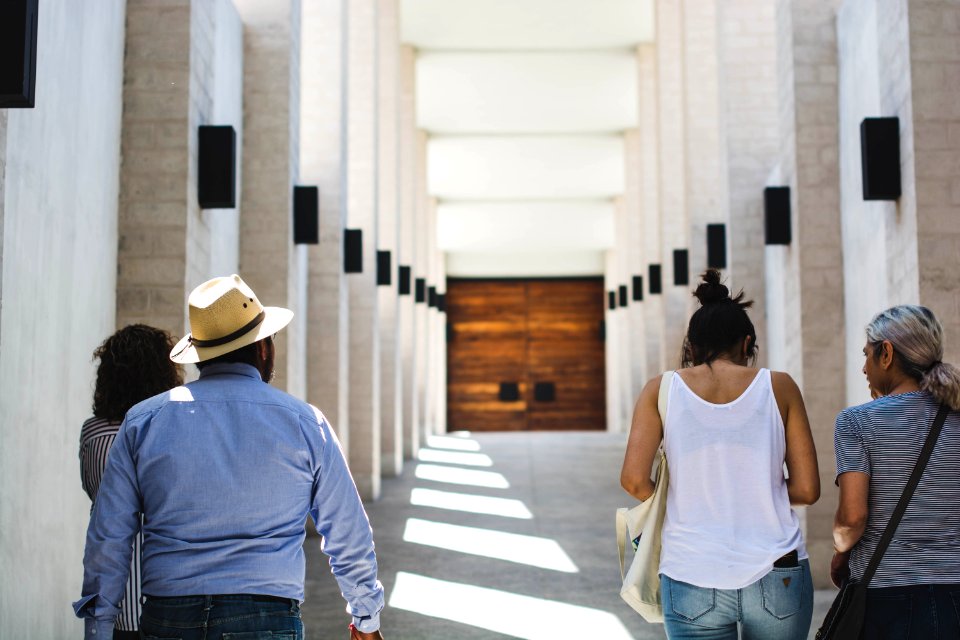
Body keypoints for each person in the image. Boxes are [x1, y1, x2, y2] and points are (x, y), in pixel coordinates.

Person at [74, 274, 385, 640]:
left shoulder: (144, 421)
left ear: (200, 354)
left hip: (169, 616)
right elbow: (347, 530)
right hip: (267, 616)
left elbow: (109, 535)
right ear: (264, 348)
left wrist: (99, 628)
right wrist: (365, 619)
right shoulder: (305, 423)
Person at [620, 269, 820, 640]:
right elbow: (808, 490)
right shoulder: (780, 387)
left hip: (691, 570)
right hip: (778, 570)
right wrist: (756, 491)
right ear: (747, 344)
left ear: (692, 347)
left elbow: (633, 479)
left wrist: (688, 496)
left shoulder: (659, 390)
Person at [832, 305, 960, 639]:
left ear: (886, 353)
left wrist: (840, 550)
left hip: (886, 595)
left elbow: (852, 518)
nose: (863, 367)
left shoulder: (856, 422)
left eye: (867, 355)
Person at [80, 324, 183, 640]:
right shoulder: (170, 433)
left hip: (114, 600)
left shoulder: (93, 434)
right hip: (166, 595)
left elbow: (95, 496)